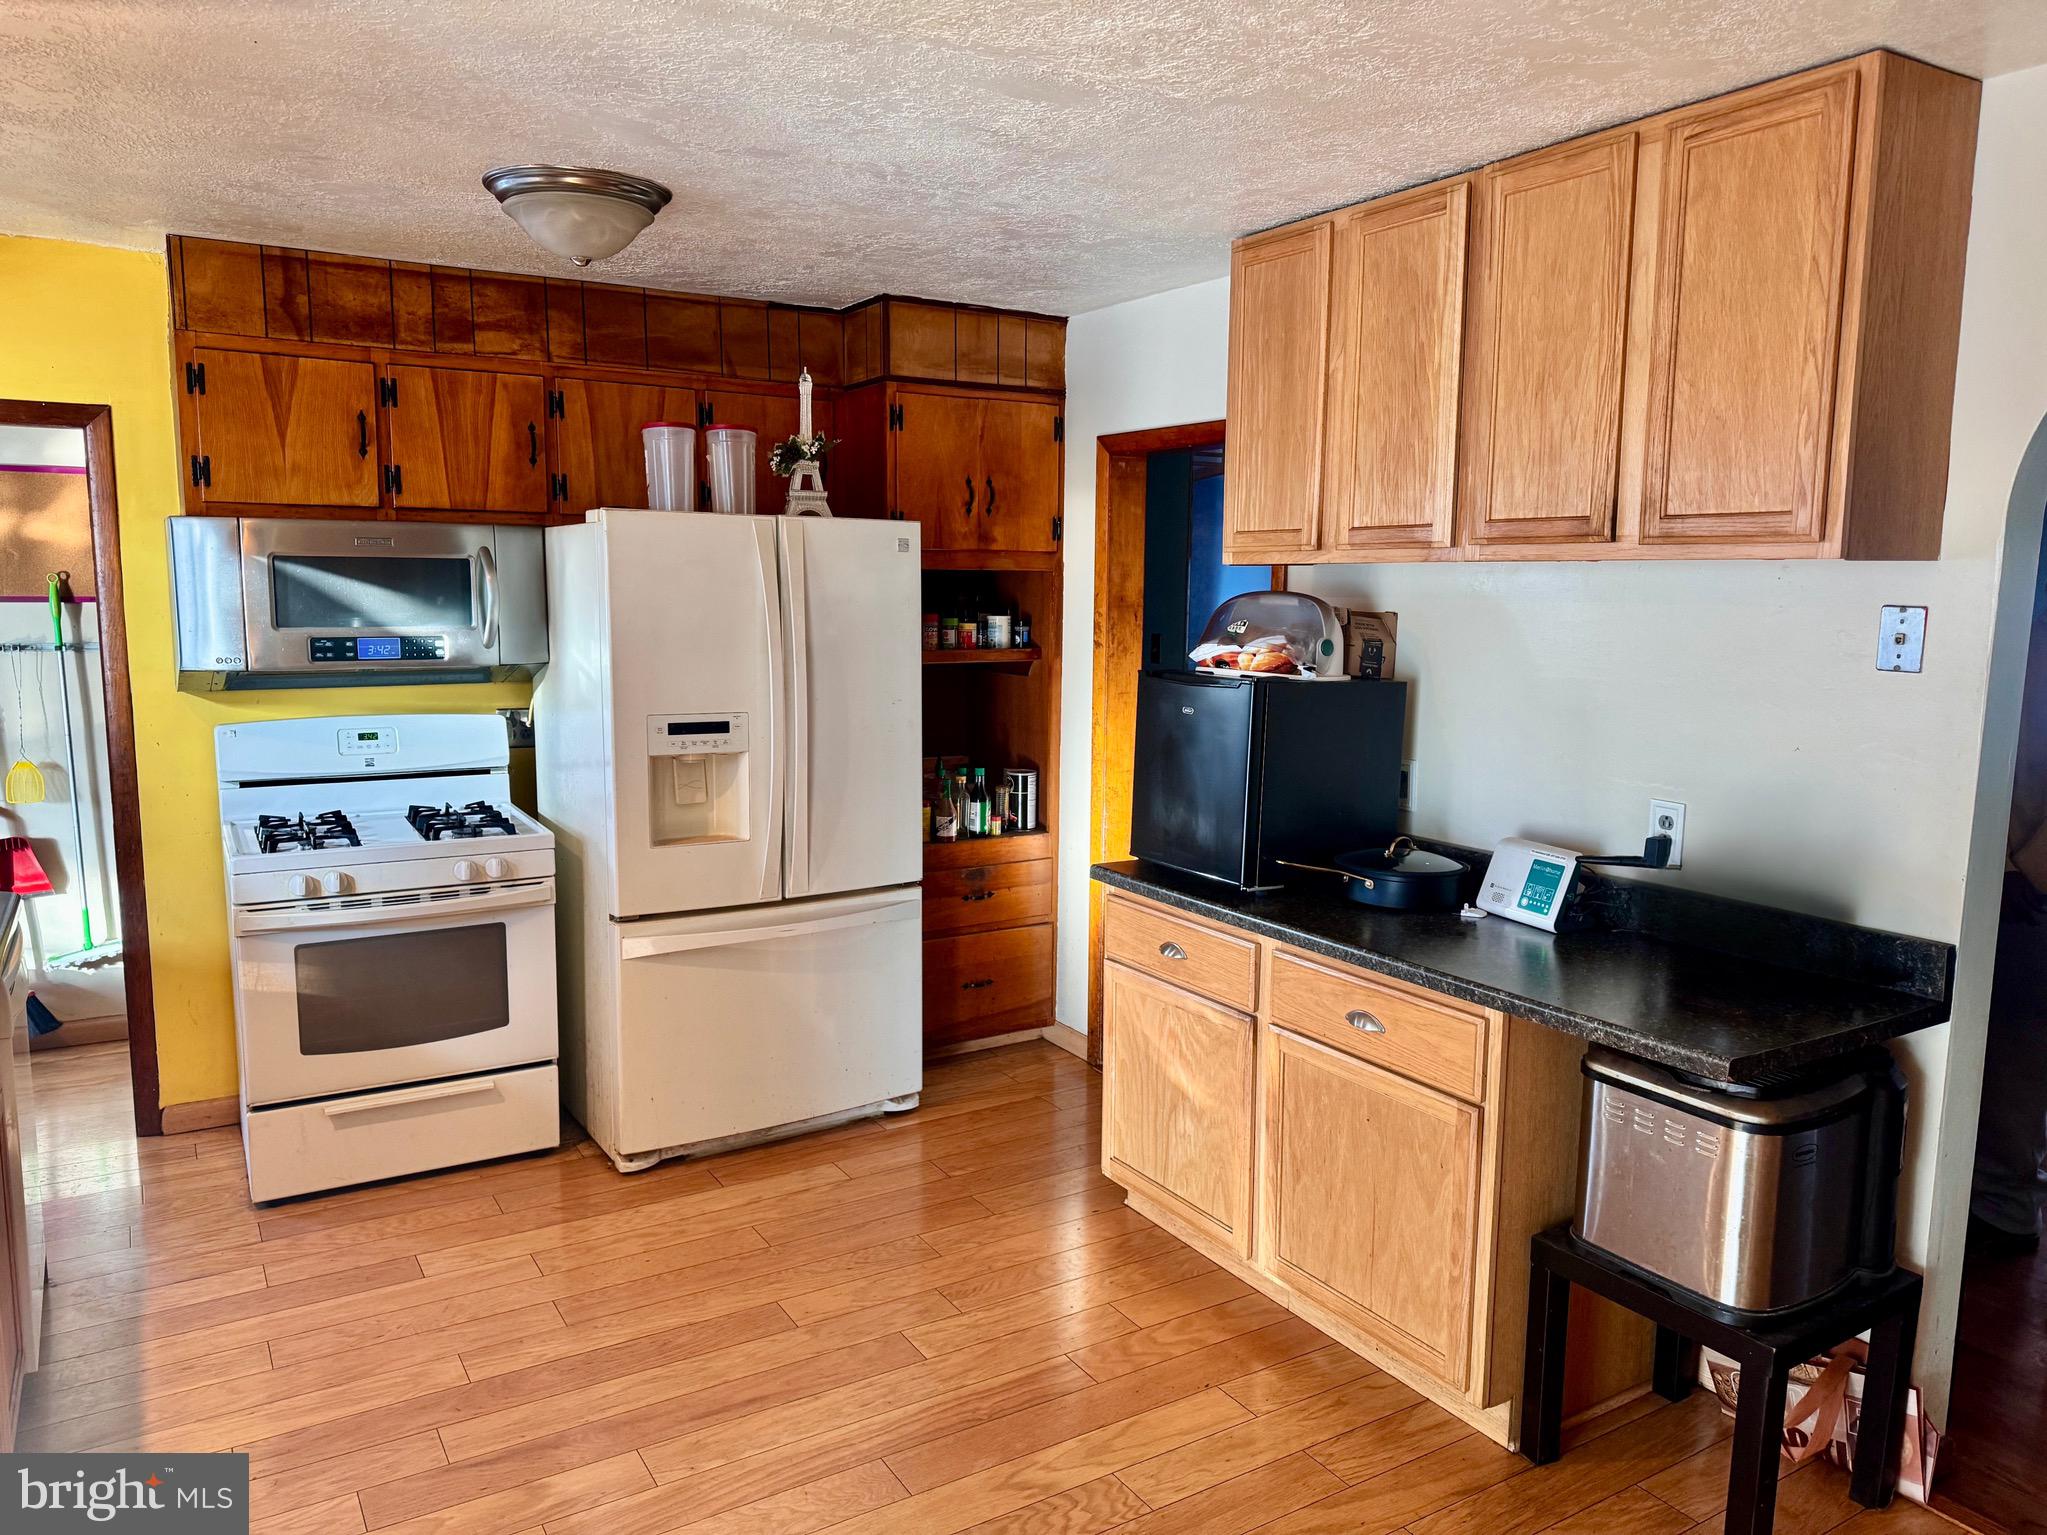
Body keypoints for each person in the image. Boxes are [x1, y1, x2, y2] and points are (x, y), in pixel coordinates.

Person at [1974, 589, 2047, 1256]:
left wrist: (2027, 867)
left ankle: (2003, 1211)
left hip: (2022, 882)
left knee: (2012, 1056)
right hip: (1988, 873)